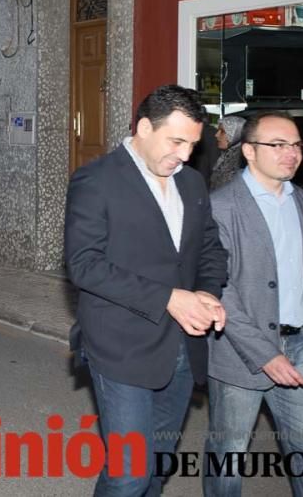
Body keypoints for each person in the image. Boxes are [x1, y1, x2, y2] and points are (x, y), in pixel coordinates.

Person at [64, 84, 228, 495]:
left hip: (182, 351)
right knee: (129, 474)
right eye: (176, 141)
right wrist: (170, 298)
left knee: (157, 467)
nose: (186, 155)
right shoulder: (96, 180)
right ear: (142, 127)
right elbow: (85, 266)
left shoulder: (191, 183)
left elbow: (208, 249)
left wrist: (207, 293)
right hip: (121, 347)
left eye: (192, 144)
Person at [204, 112, 303, 496]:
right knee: (228, 454)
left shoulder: (302, 201)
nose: (291, 153)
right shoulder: (221, 206)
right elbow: (220, 287)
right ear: (248, 151)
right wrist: (265, 353)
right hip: (239, 350)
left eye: (296, 145)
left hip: (300, 346)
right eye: (277, 145)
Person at [210, 115, 246, 191]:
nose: (217, 135)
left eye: (222, 131)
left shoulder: (242, 162)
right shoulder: (227, 156)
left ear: (236, 134)